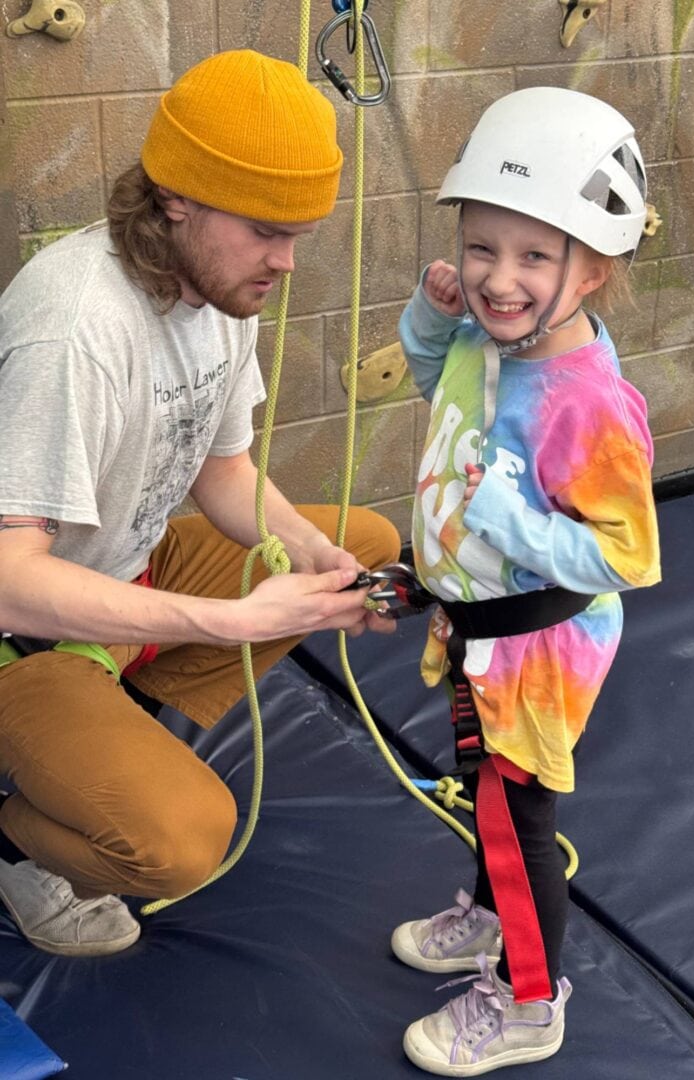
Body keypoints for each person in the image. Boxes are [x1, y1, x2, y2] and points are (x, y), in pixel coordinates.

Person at [0, 49, 400, 958]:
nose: (287, 263)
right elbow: (10, 581)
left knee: (359, 542)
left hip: (121, 578)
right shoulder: (75, 328)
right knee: (180, 842)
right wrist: (225, 621)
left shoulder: (218, 287)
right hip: (23, 635)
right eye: (267, 230)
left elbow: (221, 470)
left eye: (300, 233)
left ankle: (111, 726)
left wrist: (301, 545)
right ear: (176, 198)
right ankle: (14, 842)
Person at [391, 86, 661, 1075]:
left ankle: (527, 1002)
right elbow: (437, 384)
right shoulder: (488, 338)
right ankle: (489, 918)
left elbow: (629, 554)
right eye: (482, 248)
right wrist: (432, 315)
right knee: (487, 794)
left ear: (592, 271)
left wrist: (507, 519)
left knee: (515, 817)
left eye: (534, 257)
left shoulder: (588, 404)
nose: (499, 280)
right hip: (480, 631)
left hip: (535, 647)